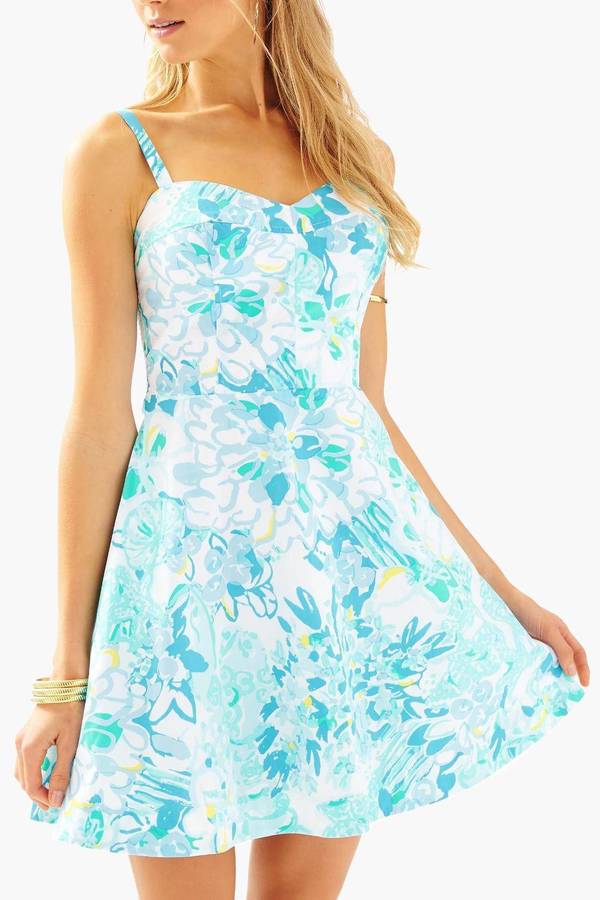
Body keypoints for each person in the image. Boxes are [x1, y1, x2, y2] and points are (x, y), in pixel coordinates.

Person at [14, 2, 590, 898]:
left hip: (337, 590)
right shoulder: (118, 152)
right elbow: (97, 417)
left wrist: (505, 594)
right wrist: (65, 681)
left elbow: (365, 413)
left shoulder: (359, 164)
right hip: (186, 588)